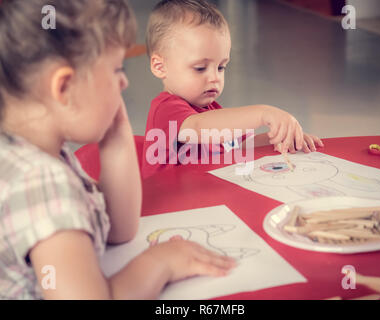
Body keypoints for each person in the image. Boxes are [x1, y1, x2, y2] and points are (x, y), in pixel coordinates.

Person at [0, 0, 235, 300]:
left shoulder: (36, 155)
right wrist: (161, 261)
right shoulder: (40, 181)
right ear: (64, 88)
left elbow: (119, 230)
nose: (124, 82)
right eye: (115, 69)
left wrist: (115, 133)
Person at [142, 0, 324, 179]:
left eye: (221, 67)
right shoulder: (166, 109)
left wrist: (281, 138)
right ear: (160, 67)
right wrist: (262, 113)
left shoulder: (212, 110)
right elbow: (198, 127)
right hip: (171, 204)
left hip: (203, 197)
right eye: (200, 68)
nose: (215, 77)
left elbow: (240, 144)